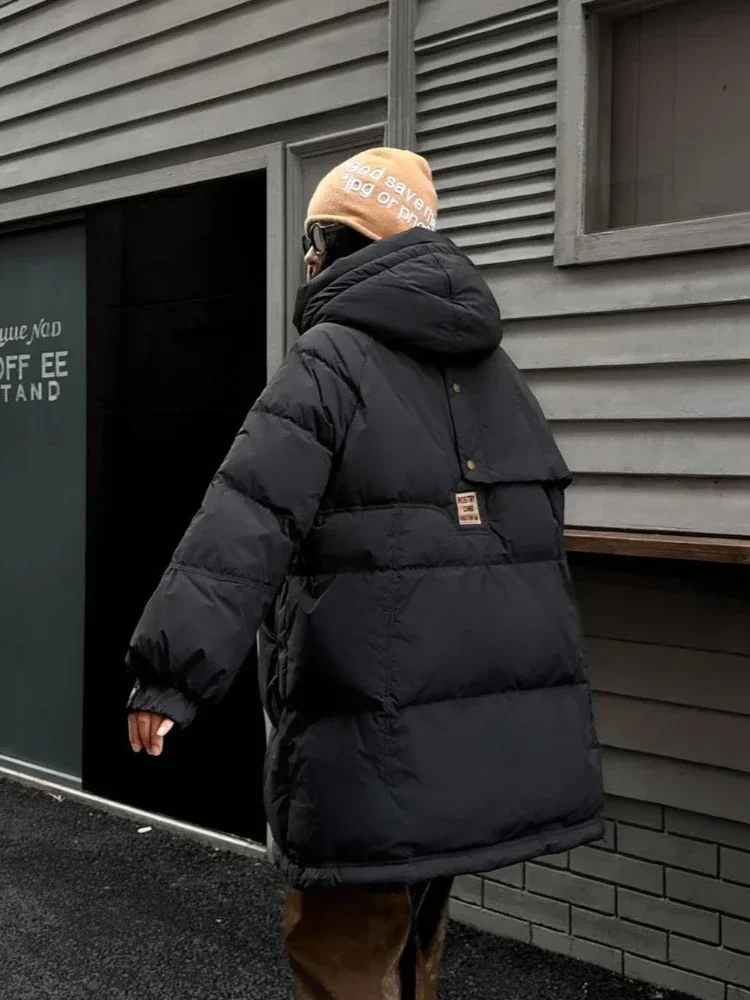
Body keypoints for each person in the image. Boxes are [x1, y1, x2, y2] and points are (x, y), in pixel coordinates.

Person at [126, 148, 604, 999]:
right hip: (465, 745)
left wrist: (171, 673)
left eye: (317, 238)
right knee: (414, 945)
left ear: (348, 244)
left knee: (342, 959)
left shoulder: (332, 358)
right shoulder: (499, 375)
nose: (307, 259)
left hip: (366, 732)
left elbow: (244, 519)